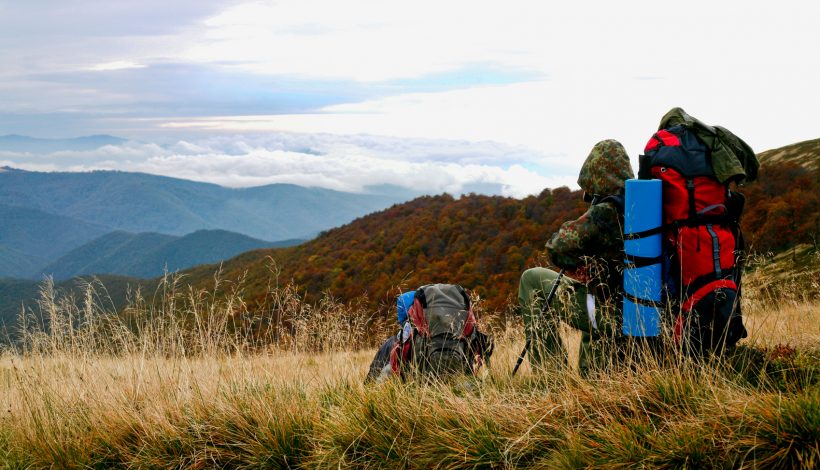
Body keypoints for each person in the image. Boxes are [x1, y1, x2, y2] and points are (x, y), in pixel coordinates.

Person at [517, 139, 633, 375]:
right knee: (595, 292)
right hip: (647, 315)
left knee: (532, 280)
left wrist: (578, 265)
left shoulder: (606, 211)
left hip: (612, 318)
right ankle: (593, 369)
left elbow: (558, 247)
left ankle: (551, 377)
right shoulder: (647, 207)